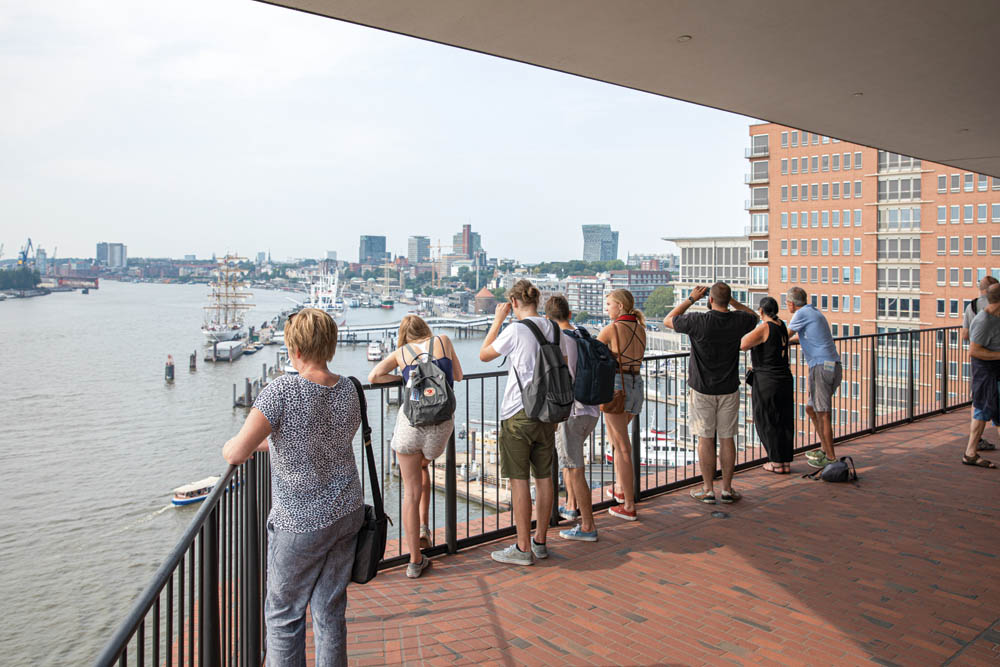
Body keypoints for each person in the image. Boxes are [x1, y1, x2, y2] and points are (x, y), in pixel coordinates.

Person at [221, 308, 363, 667]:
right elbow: (320, 439)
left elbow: (237, 452)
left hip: (300, 522)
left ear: (294, 349)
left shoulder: (282, 390)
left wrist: (231, 445)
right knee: (330, 611)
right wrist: (270, 443)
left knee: (284, 616)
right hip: (346, 511)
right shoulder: (350, 388)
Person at [480, 279, 575, 565]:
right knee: (545, 478)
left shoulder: (516, 329)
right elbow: (567, 365)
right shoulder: (554, 329)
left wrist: (497, 321)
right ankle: (541, 541)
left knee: (519, 481)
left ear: (513, 303)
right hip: (549, 412)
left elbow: (484, 355)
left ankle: (522, 549)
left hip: (518, 413)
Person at [368, 315, 463, 578]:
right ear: (426, 330)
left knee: (410, 491)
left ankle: (414, 560)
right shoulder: (443, 341)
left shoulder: (401, 353)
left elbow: (374, 376)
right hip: (441, 427)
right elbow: (458, 375)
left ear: (403, 335)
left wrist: (403, 378)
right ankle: (424, 527)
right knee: (424, 465)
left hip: (411, 426)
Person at [664, 282, 758, 504]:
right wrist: (732, 302)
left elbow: (668, 320)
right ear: (728, 300)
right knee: (727, 438)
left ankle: (707, 490)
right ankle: (727, 489)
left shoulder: (698, 321)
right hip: (729, 388)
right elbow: (753, 316)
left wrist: (691, 299)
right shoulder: (738, 321)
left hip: (702, 389)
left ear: (710, 300)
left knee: (705, 438)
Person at [544, 294, 600, 540]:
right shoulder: (581, 334)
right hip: (591, 408)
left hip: (572, 411)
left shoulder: (560, 342)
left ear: (547, 319)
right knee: (570, 462)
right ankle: (570, 507)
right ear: (569, 314)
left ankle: (588, 526)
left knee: (576, 469)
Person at [597, 289, 647, 521]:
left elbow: (591, 354)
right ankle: (619, 487)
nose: (606, 308)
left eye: (608, 304)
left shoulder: (613, 329)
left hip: (618, 387)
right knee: (617, 442)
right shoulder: (640, 328)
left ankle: (628, 504)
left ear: (619, 306)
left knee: (622, 446)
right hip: (636, 386)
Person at [786, 286, 842, 469]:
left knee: (823, 413)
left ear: (792, 303)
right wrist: (798, 341)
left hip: (820, 366)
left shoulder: (800, 314)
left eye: (787, 302)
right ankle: (824, 449)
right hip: (832, 365)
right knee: (811, 408)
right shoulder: (813, 311)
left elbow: (784, 335)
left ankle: (831, 457)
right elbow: (810, 337)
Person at [740, 296, 795, 473]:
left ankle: (776, 462)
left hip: (767, 381)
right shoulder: (781, 325)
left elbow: (743, 344)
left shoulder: (765, 327)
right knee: (783, 420)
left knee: (767, 419)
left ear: (761, 311)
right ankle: (784, 461)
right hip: (784, 378)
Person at [964, 282, 1000, 468]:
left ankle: (970, 453)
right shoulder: (983, 321)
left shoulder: (997, 317)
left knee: (990, 414)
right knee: (982, 412)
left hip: (996, 371)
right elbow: (974, 351)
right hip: (986, 372)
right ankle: (970, 453)